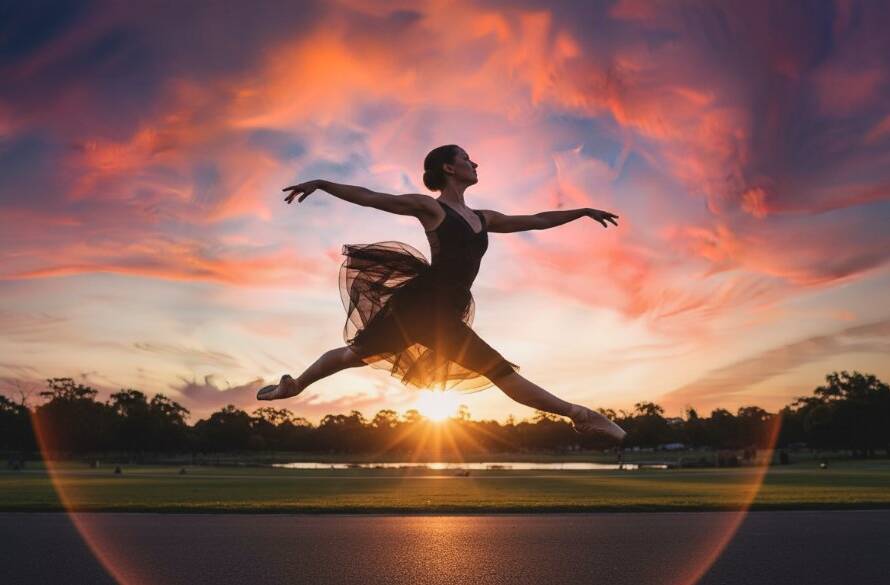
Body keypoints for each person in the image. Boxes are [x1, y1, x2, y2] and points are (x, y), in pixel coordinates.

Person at [257, 145, 626, 441]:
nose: (474, 162)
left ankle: (293, 387)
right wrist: (322, 183)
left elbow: (536, 220)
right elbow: (371, 197)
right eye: (466, 158)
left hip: (444, 311)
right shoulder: (430, 208)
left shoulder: (484, 218)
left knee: (356, 354)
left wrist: (581, 211)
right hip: (422, 306)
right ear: (449, 168)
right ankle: (581, 415)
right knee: (497, 370)